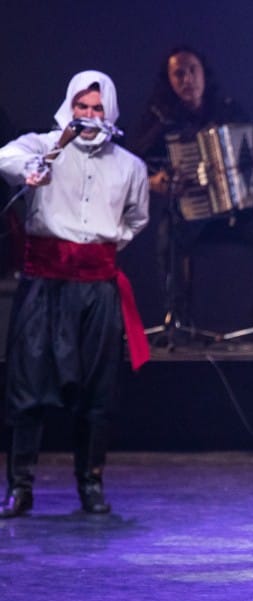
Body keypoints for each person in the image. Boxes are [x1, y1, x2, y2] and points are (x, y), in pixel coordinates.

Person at [0, 70, 150, 516]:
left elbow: (136, 218)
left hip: (96, 289)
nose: (88, 115)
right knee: (27, 384)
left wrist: (102, 246)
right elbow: (5, 158)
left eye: (97, 108)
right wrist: (43, 161)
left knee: (97, 389)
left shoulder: (129, 166)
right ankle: (20, 487)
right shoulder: (42, 146)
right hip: (44, 286)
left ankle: (91, 483)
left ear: (110, 112)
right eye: (81, 107)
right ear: (69, 108)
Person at [128, 46, 253, 335]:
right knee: (168, 238)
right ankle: (179, 321)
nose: (187, 79)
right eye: (179, 74)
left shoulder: (227, 109)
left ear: (204, 74)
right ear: (169, 80)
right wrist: (155, 181)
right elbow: (131, 164)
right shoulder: (161, 119)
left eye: (193, 70)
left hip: (236, 214)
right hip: (191, 214)